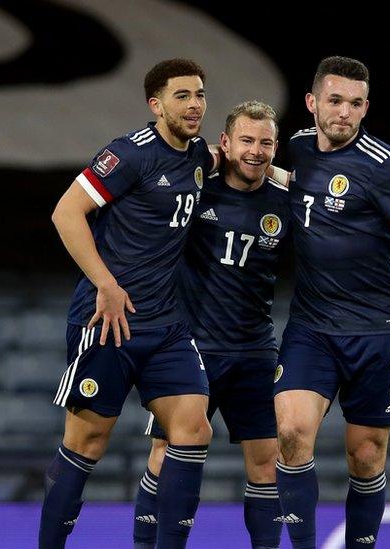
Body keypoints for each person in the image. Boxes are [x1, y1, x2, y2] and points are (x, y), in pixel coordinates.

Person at [273, 56, 390, 549]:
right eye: (334, 101)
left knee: (366, 455)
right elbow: (296, 188)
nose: (344, 112)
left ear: (366, 107)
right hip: (310, 327)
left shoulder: (387, 167)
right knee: (290, 433)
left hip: (375, 328)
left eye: (355, 104)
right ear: (312, 103)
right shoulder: (299, 149)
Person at [41, 58, 218, 549]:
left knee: (193, 430)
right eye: (181, 95)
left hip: (166, 326)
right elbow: (66, 212)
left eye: (199, 94)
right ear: (155, 104)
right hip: (107, 321)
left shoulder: (200, 156)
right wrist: (106, 283)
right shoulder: (129, 154)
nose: (194, 104)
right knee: (87, 443)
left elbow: (241, 162)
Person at [131, 100, 290, 549]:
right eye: (245, 140)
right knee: (166, 454)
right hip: (190, 350)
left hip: (255, 352)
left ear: (276, 147)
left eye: (265, 142)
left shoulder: (286, 205)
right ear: (225, 143)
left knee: (266, 465)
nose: (255, 151)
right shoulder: (196, 191)